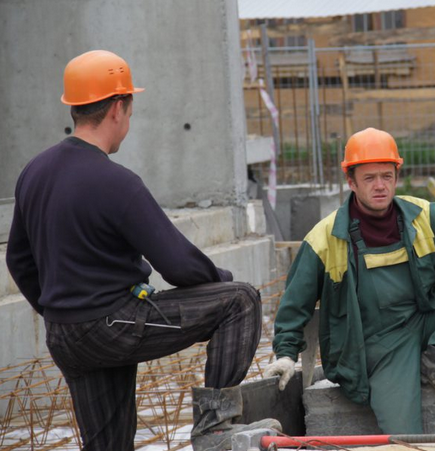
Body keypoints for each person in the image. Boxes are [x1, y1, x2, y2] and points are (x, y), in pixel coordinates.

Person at [5, 50, 279, 451]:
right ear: (118, 107)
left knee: (109, 444)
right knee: (239, 301)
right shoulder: (117, 182)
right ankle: (213, 428)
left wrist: (59, 311)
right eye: (130, 112)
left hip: (65, 335)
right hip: (112, 326)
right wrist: (220, 282)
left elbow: (19, 260)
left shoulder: (34, 171)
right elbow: (178, 264)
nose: (128, 123)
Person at [264, 127, 435, 433]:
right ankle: (419, 367)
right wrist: (285, 354)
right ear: (351, 181)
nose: (380, 186)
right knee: (406, 438)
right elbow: (295, 303)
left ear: (396, 177)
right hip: (378, 346)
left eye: (387, 176)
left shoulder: (421, 215)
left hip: (427, 321)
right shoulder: (324, 238)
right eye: (369, 178)